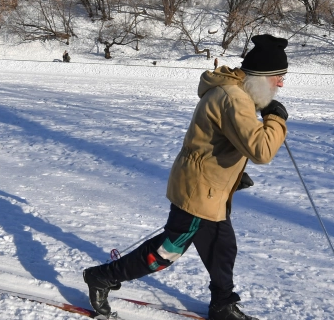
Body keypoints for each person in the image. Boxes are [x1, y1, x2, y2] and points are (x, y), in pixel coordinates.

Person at [83, 34, 290, 320]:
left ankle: (222, 305)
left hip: (210, 189)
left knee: (222, 247)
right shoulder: (234, 99)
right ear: (262, 75)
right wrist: (276, 119)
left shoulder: (234, 92)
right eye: (278, 76)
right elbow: (261, 150)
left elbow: (220, 142)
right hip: (199, 191)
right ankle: (102, 277)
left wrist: (232, 176)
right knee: (166, 252)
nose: (281, 83)